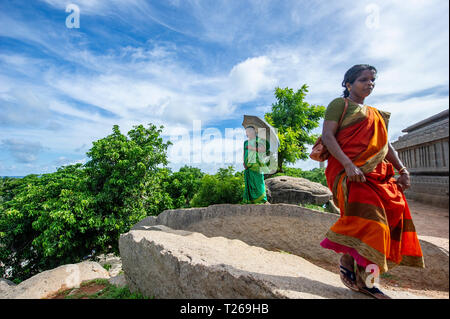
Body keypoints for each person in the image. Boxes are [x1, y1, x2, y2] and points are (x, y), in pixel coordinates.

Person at [319, 64, 424, 299]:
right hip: (350, 174)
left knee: (390, 221)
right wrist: (348, 164)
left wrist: (403, 170)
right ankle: (369, 283)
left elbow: (385, 147)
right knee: (374, 225)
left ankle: (353, 260)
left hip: (377, 176)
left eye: (372, 80)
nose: (370, 84)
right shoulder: (340, 105)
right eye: (363, 80)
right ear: (348, 84)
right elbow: (328, 136)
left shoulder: (375, 114)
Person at [243, 126, 270, 204]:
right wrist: (244, 162)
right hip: (248, 164)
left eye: (249, 131)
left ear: (254, 131)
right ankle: (251, 201)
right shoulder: (245, 142)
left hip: (257, 164)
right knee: (249, 182)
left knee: (258, 181)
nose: (247, 133)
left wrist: (252, 148)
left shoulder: (259, 140)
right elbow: (244, 152)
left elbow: (263, 149)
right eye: (246, 131)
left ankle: (263, 200)